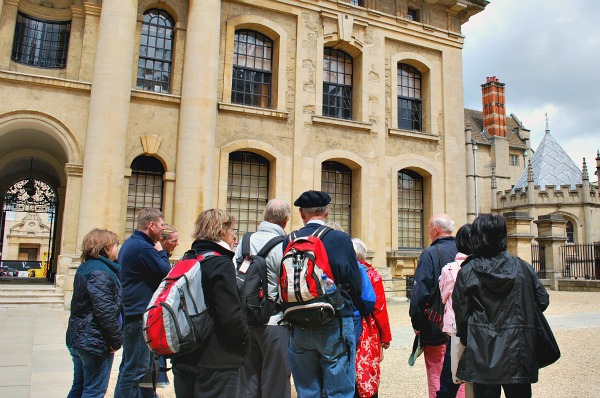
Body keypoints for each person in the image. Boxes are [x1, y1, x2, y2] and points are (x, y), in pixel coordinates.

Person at [452, 214, 550, 398]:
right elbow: (542, 301)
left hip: (482, 350)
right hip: (519, 349)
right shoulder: (522, 268)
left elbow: (461, 314)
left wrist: (469, 338)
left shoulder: (468, 270)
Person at [283, 190, 363, 398]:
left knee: (308, 391)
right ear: (327, 212)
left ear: (301, 213)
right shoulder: (339, 238)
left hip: (299, 321)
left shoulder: (289, 239)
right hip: (334, 321)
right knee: (339, 391)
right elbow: (357, 286)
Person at [171, 209, 249, 398]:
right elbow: (230, 315)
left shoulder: (187, 257)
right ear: (222, 231)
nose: (235, 237)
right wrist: (245, 337)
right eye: (233, 231)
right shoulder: (220, 263)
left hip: (184, 352)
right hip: (216, 359)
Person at [235, 199, 292, 398]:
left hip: (246, 319)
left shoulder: (244, 241)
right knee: (275, 382)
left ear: (264, 216)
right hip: (275, 321)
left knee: (247, 381)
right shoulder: (284, 245)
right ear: (285, 220)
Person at [114, 209, 171, 398]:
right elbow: (165, 271)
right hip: (140, 314)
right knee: (136, 370)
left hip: (134, 312)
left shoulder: (131, 243)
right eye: (161, 225)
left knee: (139, 366)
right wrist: (162, 251)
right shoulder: (144, 248)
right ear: (151, 225)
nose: (163, 229)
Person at [66, 228, 122, 398]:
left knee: (79, 387)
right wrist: (115, 340)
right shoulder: (101, 272)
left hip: (80, 336)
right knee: (94, 391)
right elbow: (104, 311)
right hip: (94, 340)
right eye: (115, 245)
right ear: (106, 247)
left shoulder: (86, 267)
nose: (117, 249)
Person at [409, 214, 457, 398]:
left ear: (436, 230)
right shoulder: (463, 251)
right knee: (458, 374)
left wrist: (417, 323)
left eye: (429, 227)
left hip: (436, 324)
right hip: (460, 325)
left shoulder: (430, 253)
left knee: (437, 371)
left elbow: (420, 293)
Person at [352, 238, 392, 398]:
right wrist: (385, 338)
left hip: (349, 324)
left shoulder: (343, 272)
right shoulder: (372, 275)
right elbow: (380, 309)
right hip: (369, 329)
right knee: (367, 370)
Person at [436, 224, 471, 398]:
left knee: (450, 381)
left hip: (457, 329)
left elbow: (444, 296)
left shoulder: (450, 268)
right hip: (482, 329)